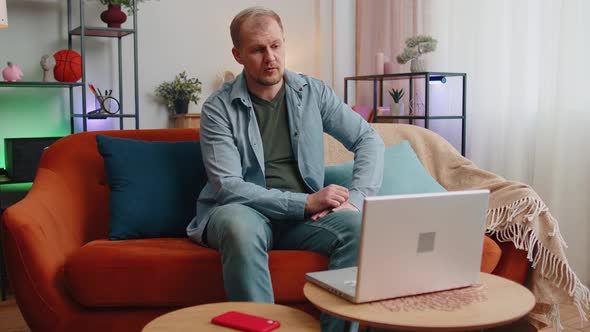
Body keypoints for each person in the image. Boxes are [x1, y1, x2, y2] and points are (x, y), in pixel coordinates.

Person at [186, 6, 384, 331]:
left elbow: (368, 139)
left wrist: (357, 199)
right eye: (258, 49)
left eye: (276, 46)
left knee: (359, 227)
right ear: (238, 55)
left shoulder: (314, 92)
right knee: (238, 225)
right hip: (243, 210)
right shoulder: (217, 108)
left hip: (304, 220)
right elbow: (228, 186)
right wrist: (305, 202)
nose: (270, 58)